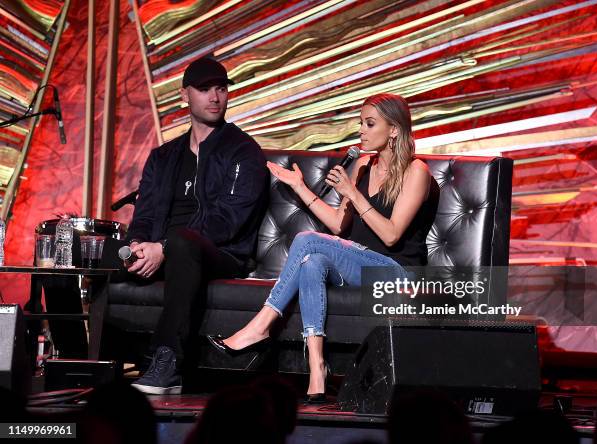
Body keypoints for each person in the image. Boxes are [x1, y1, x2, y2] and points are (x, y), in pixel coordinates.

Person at [208, 93, 438, 402]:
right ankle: (317, 368)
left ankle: (260, 326)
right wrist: (300, 186)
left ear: (394, 129)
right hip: (360, 265)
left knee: (306, 240)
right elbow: (338, 226)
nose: (362, 131)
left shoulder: (416, 172)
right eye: (361, 123)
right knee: (312, 260)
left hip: (396, 274)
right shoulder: (362, 168)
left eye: (370, 124)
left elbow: (392, 235)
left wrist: (351, 194)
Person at [126, 56, 268, 394]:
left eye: (221, 89)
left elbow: (227, 221)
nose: (215, 97)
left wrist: (164, 247)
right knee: (86, 252)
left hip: (219, 254)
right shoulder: (163, 156)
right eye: (204, 90)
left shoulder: (243, 151)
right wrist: (136, 245)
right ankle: (77, 360)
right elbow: (143, 214)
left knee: (182, 242)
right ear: (184, 96)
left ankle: (167, 363)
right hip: (163, 250)